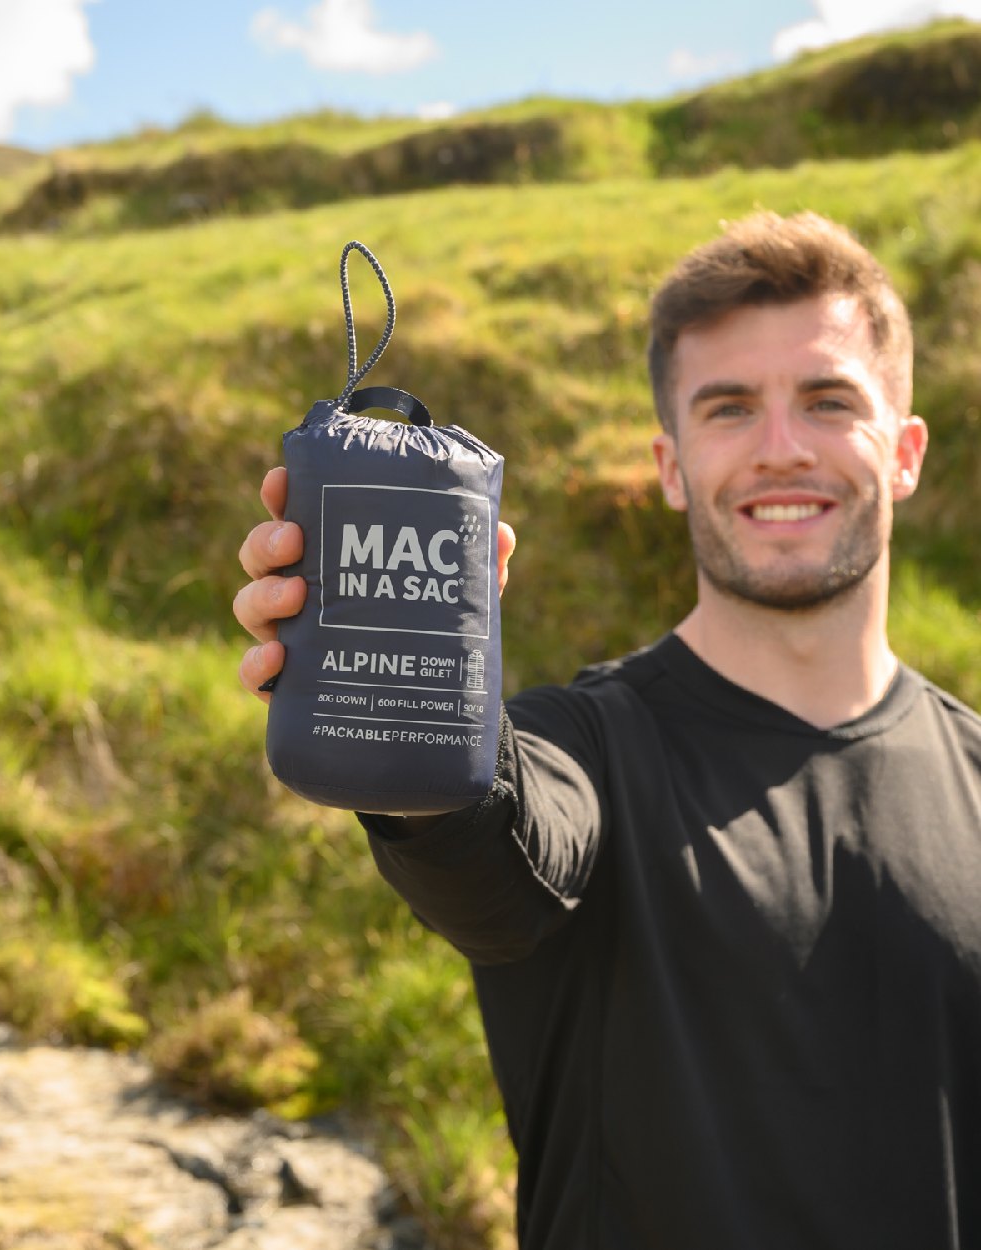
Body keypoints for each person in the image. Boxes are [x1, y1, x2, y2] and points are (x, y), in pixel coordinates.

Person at [233, 211, 981, 1249]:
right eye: (727, 409)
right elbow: (489, 854)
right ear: (670, 466)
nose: (780, 448)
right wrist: (400, 704)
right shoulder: (583, 750)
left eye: (826, 401)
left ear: (901, 452)